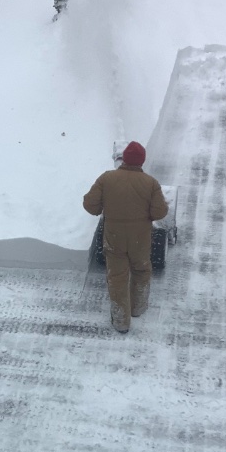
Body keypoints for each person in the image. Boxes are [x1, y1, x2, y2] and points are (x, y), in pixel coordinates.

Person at [83, 141, 169, 333]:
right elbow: (159, 213)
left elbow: (90, 205)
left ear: (124, 159)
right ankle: (138, 308)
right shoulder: (151, 183)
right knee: (141, 270)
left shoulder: (106, 178)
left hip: (114, 238)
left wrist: (105, 208)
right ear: (142, 161)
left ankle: (121, 321)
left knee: (117, 277)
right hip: (140, 239)